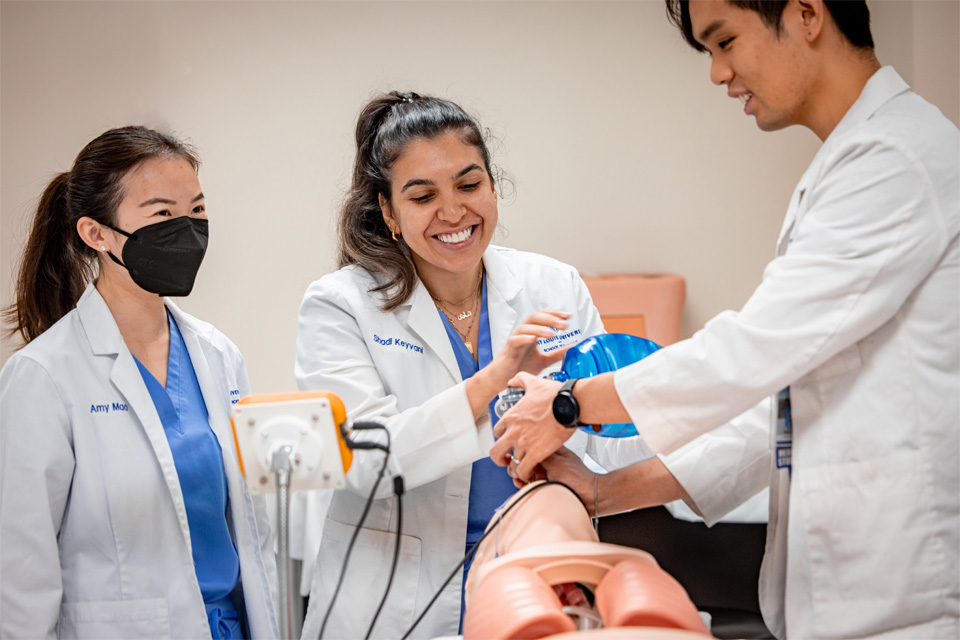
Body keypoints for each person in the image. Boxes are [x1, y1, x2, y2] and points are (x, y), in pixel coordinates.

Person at [491, 1, 960, 638]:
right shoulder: (846, 166)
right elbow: (773, 414)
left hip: (907, 595)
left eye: (725, 41)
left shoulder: (897, 159)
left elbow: (748, 355)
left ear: (805, 13)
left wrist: (570, 403)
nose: (718, 73)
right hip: (845, 594)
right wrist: (604, 492)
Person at [294, 91, 610, 639]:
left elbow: (605, 438)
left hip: (532, 582)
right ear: (389, 211)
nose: (454, 212)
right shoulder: (340, 305)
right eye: (423, 196)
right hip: (393, 603)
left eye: (469, 185)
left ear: (493, 185)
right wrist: (496, 378)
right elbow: (364, 461)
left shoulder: (553, 286)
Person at [0, 126, 279, 639]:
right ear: (96, 234)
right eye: (162, 214)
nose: (188, 230)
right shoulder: (43, 377)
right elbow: (20, 573)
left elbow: (255, 531)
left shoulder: (219, 356)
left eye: (197, 210)